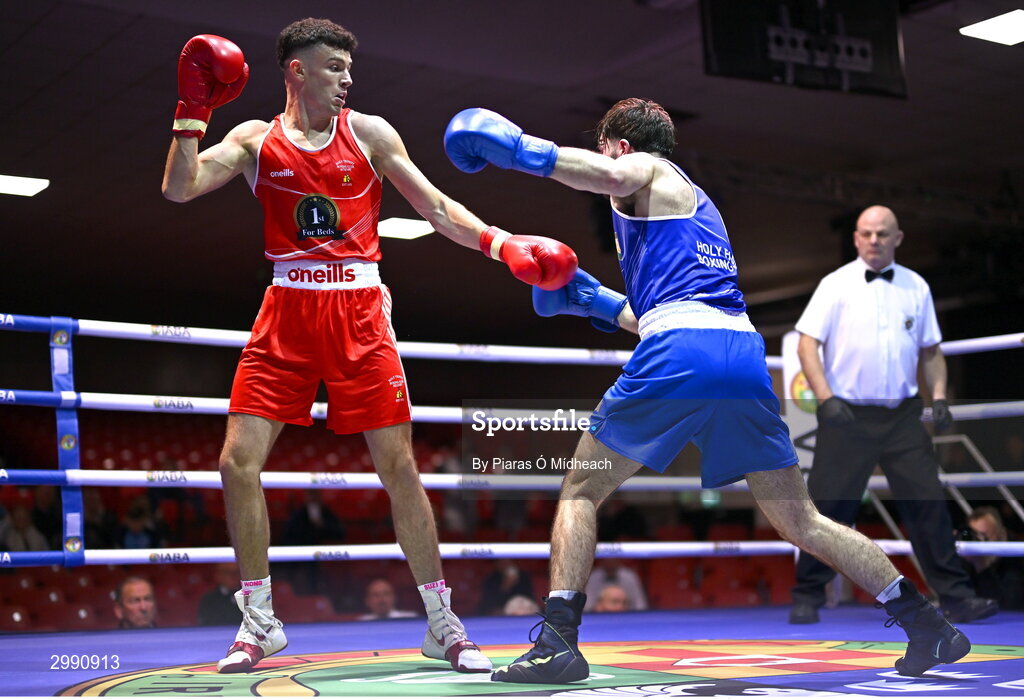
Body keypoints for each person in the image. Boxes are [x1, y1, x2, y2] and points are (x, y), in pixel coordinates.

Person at [443, 99, 972, 684]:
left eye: (602, 148)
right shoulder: (693, 214)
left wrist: (519, 152)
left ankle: (559, 641)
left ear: (618, 143)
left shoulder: (648, 169)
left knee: (581, 490)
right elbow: (668, 312)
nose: (602, 161)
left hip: (683, 354)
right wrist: (593, 301)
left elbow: (617, 182)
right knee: (803, 521)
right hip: (740, 356)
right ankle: (927, 624)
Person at [161, 18, 576, 674]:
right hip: (286, 310)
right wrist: (191, 113)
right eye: (333, 68)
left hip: (359, 313)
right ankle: (259, 620)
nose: (346, 79)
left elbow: (436, 206)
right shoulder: (253, 139)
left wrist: (502, 243)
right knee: (237, 462)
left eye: (349, 69)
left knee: (399, 467)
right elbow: (179, 187)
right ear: (296, 71)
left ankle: (442, 622)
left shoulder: (371, 133)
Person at [787, 204, 998, 626]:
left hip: (902, 415)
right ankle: (807, 594)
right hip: (846, 411)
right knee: (829, 508)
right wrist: (827, 398)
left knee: (928, 504)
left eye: (882, 234)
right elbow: (806, 344)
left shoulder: (916, 287)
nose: (873, 241)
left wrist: (938, 395)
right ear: (855, 238)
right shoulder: (835, 284)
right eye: (865, 233)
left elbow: (931, 351)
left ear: (897, 238)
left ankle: (956, 596)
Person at [962, 506, 1023, 610]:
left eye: (985, 536)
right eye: (975, 536)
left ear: (1001, 533)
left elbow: (1007, 606)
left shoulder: (1017, 555)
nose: (980, 542)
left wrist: (982, 567)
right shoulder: (970, 551)